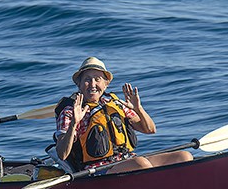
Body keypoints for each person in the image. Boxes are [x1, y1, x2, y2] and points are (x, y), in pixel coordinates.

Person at [54, 57, 192, 174]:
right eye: (87, 80)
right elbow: (62, 153)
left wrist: (138, 108)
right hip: (98, 170)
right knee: (141, 164)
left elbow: (149, 130)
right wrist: (74, 124)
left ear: (106, 84)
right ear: (79, 84)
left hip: (127, 160)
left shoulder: (115, 103)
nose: (93, 84)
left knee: (184, 156)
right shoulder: (71, 112)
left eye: (97, 79)